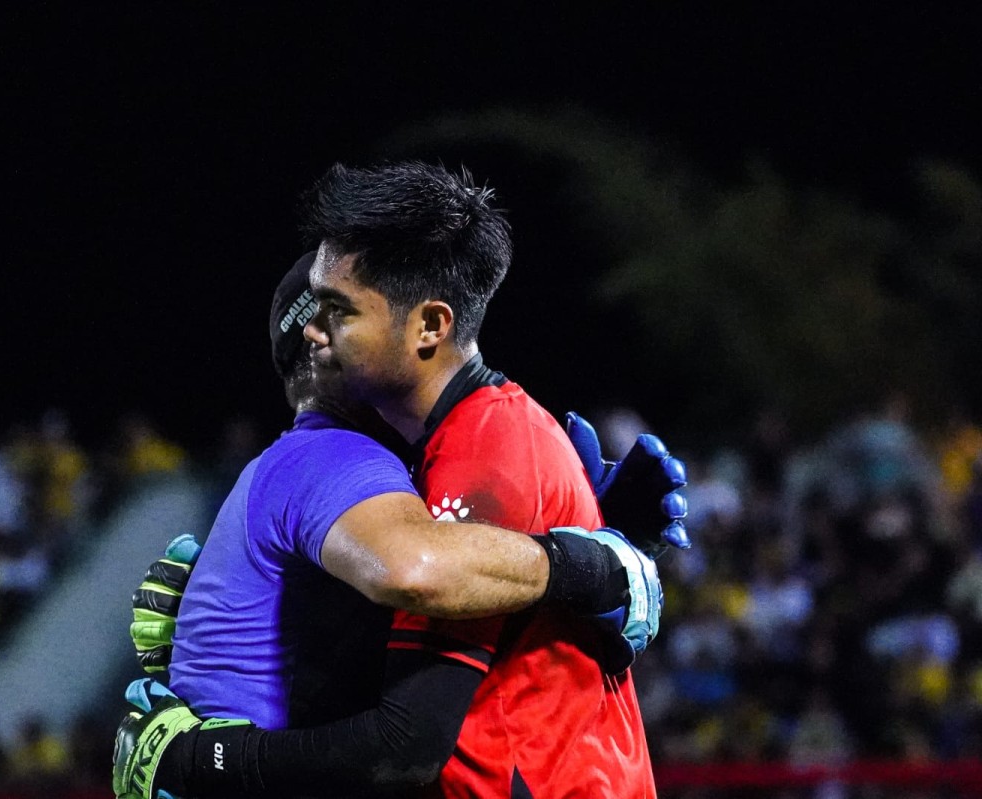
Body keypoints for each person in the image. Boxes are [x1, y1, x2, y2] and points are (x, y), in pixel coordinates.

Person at [115, 163, 687, 798]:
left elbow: (407, 731)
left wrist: (201, 758)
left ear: (430, 326)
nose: (317, 333)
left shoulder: (468, 449)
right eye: (315, 312)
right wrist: (596, 560)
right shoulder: (388, 458)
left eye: (338, 311)